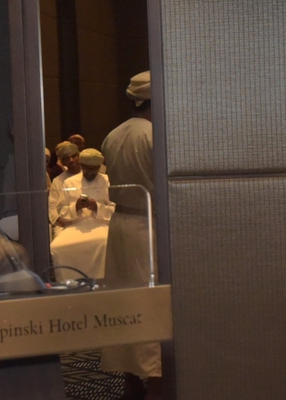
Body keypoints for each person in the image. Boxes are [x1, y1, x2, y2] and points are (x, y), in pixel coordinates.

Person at [99, 70, 160, 400]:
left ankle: (131, 381)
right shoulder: (155, 135)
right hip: (148, 227)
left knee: (124, 303)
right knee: (151, 304)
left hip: (119, 225)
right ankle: (156, 382)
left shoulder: (113, 134)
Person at [49, 148, 114, 280]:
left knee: (104, 242)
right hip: (75, 225)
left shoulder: (107, 180)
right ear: (82, 165)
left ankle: (102, 282)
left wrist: (97, 207)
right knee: (56, 247)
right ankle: (68, 283)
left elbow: (114, 208)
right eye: (87, 168)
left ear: (99, 167)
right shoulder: (69, 182)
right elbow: (61, 211)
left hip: (101, 224)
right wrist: (76, 207)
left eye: (94, 169)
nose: (90, 172)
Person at [48, 142, 80, 238]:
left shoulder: (88, 176)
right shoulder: (58, 181)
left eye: (74, 156)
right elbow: (52, 205)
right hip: (65, 222)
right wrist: (58, 219)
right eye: (67, 158)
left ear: (79, 156)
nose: (71, 160)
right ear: (62, 162)